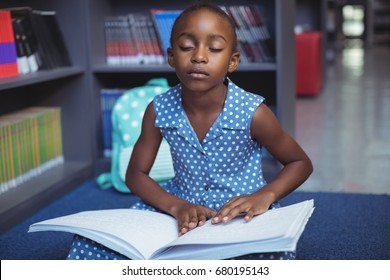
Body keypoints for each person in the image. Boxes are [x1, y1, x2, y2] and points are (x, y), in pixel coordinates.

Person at [67, 2, 313, 260]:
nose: (199, 56)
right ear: (171, 56)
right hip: (177, 211)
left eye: (215, 48)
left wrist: (265, 196)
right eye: (186, 47)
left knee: (268, 260)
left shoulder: (254, 113)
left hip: (241, 215)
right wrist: (176, 206)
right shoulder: (158, 109)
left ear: (232, 61)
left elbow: (300, 162)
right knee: (90, 246)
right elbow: (136, 174)